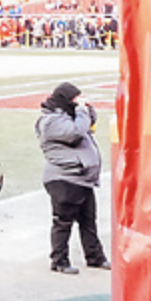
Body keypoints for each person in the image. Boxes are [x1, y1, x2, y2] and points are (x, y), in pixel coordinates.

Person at [34, 81, 108, 275]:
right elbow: (74, 133)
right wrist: (81, 111)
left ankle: (95, 257)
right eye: (75, 98)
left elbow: (88, 124)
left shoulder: (69, 115)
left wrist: (87, 110)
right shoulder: (50, 120)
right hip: (64, 178)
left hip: (81, 177)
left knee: (88, 221)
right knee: (63, 222)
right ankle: (59, 260)